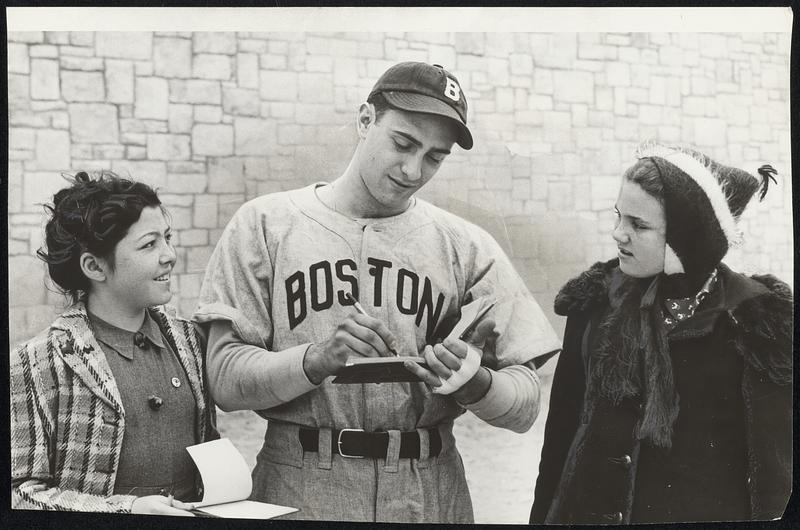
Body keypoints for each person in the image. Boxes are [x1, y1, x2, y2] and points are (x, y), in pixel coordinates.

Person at [194, 61, 560, 523]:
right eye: (403, 143)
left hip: (429, 486)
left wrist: (475, 383)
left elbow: (525, 404)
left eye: (434, 156)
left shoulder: (466, 246)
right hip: (303, 480)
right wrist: (314, 359)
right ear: (366, 120)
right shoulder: (265, 224)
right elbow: (224, 380)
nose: (413, 169)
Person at [530, 144, 791, 524]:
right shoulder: (595, 302)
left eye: (639, 225)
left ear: (688, 238)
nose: (618, 234)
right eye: (619, 216)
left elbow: (775, 478)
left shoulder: (755, 321)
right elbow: (558, 448)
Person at [11, 172, 217, 515]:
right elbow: (18, 495)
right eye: (149, 244)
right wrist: (127, 510)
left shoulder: (190, 341)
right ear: (94, 266)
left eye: (167, 238)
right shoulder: (39, 362)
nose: (169, 255)